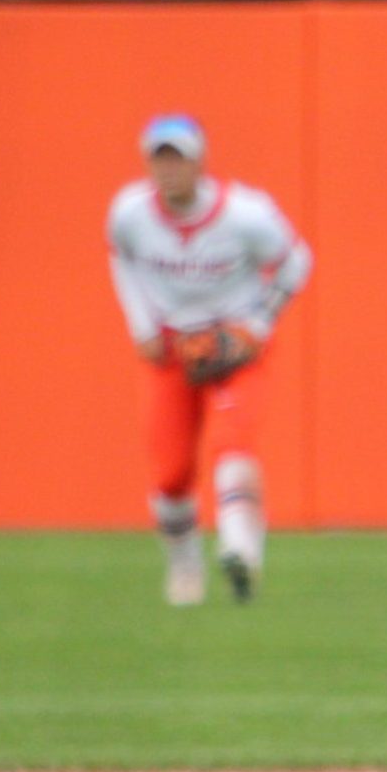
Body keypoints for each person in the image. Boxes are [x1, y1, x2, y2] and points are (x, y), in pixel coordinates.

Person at [105, 113, 311, 606]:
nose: (169, 170)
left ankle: (241, 550)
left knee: (232, 442)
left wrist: (257, 325)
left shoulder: (244, 214)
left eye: (178, 159)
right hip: (172, 349)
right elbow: (120, 255)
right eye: (160, 159)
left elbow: (297, 260)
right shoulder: (130, 213)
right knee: (171, 472)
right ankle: (184, 560)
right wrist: (142, 326)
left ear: (200, 162)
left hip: (234, 343)